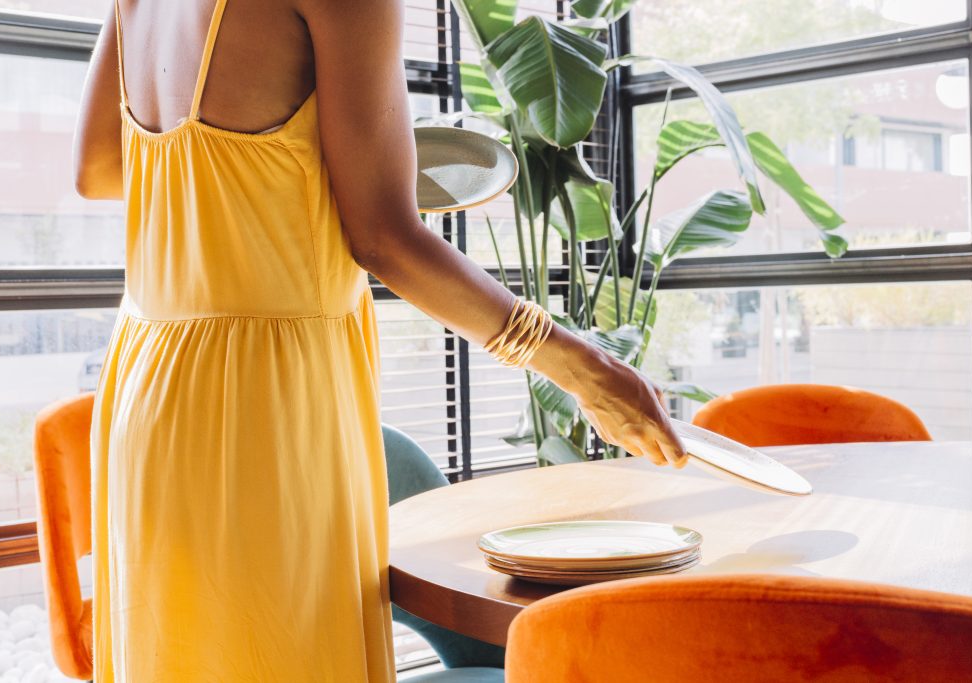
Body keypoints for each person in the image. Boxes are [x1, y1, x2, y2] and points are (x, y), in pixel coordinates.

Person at [72, 0, 687, 679]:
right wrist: (583, 367)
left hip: (148, 383)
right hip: (263, 400)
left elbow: (99, 169)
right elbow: (386, 239)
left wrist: (303, 164)